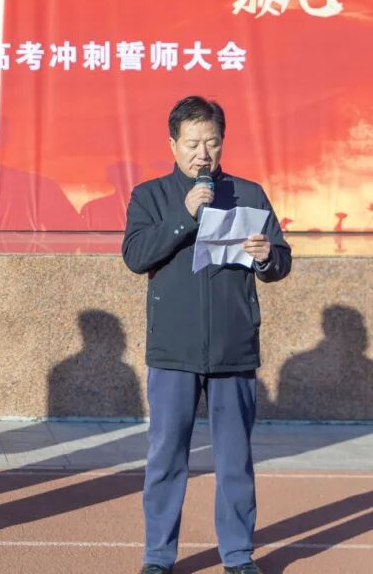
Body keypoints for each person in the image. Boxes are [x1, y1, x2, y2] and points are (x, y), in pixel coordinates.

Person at [122, 96, 291, 574]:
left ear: (223, 143)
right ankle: (158, 557)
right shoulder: (151, 196)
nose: (203, 154)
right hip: (173, 350)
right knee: (166, 458)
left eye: (212, 143)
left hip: (234, 347)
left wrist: (266, 256)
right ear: (172, 144)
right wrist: (184, 215)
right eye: (192, 143)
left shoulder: (249, 193)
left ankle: (237, 555)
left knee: (235, 460)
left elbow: (281, 260)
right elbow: (135, 256)